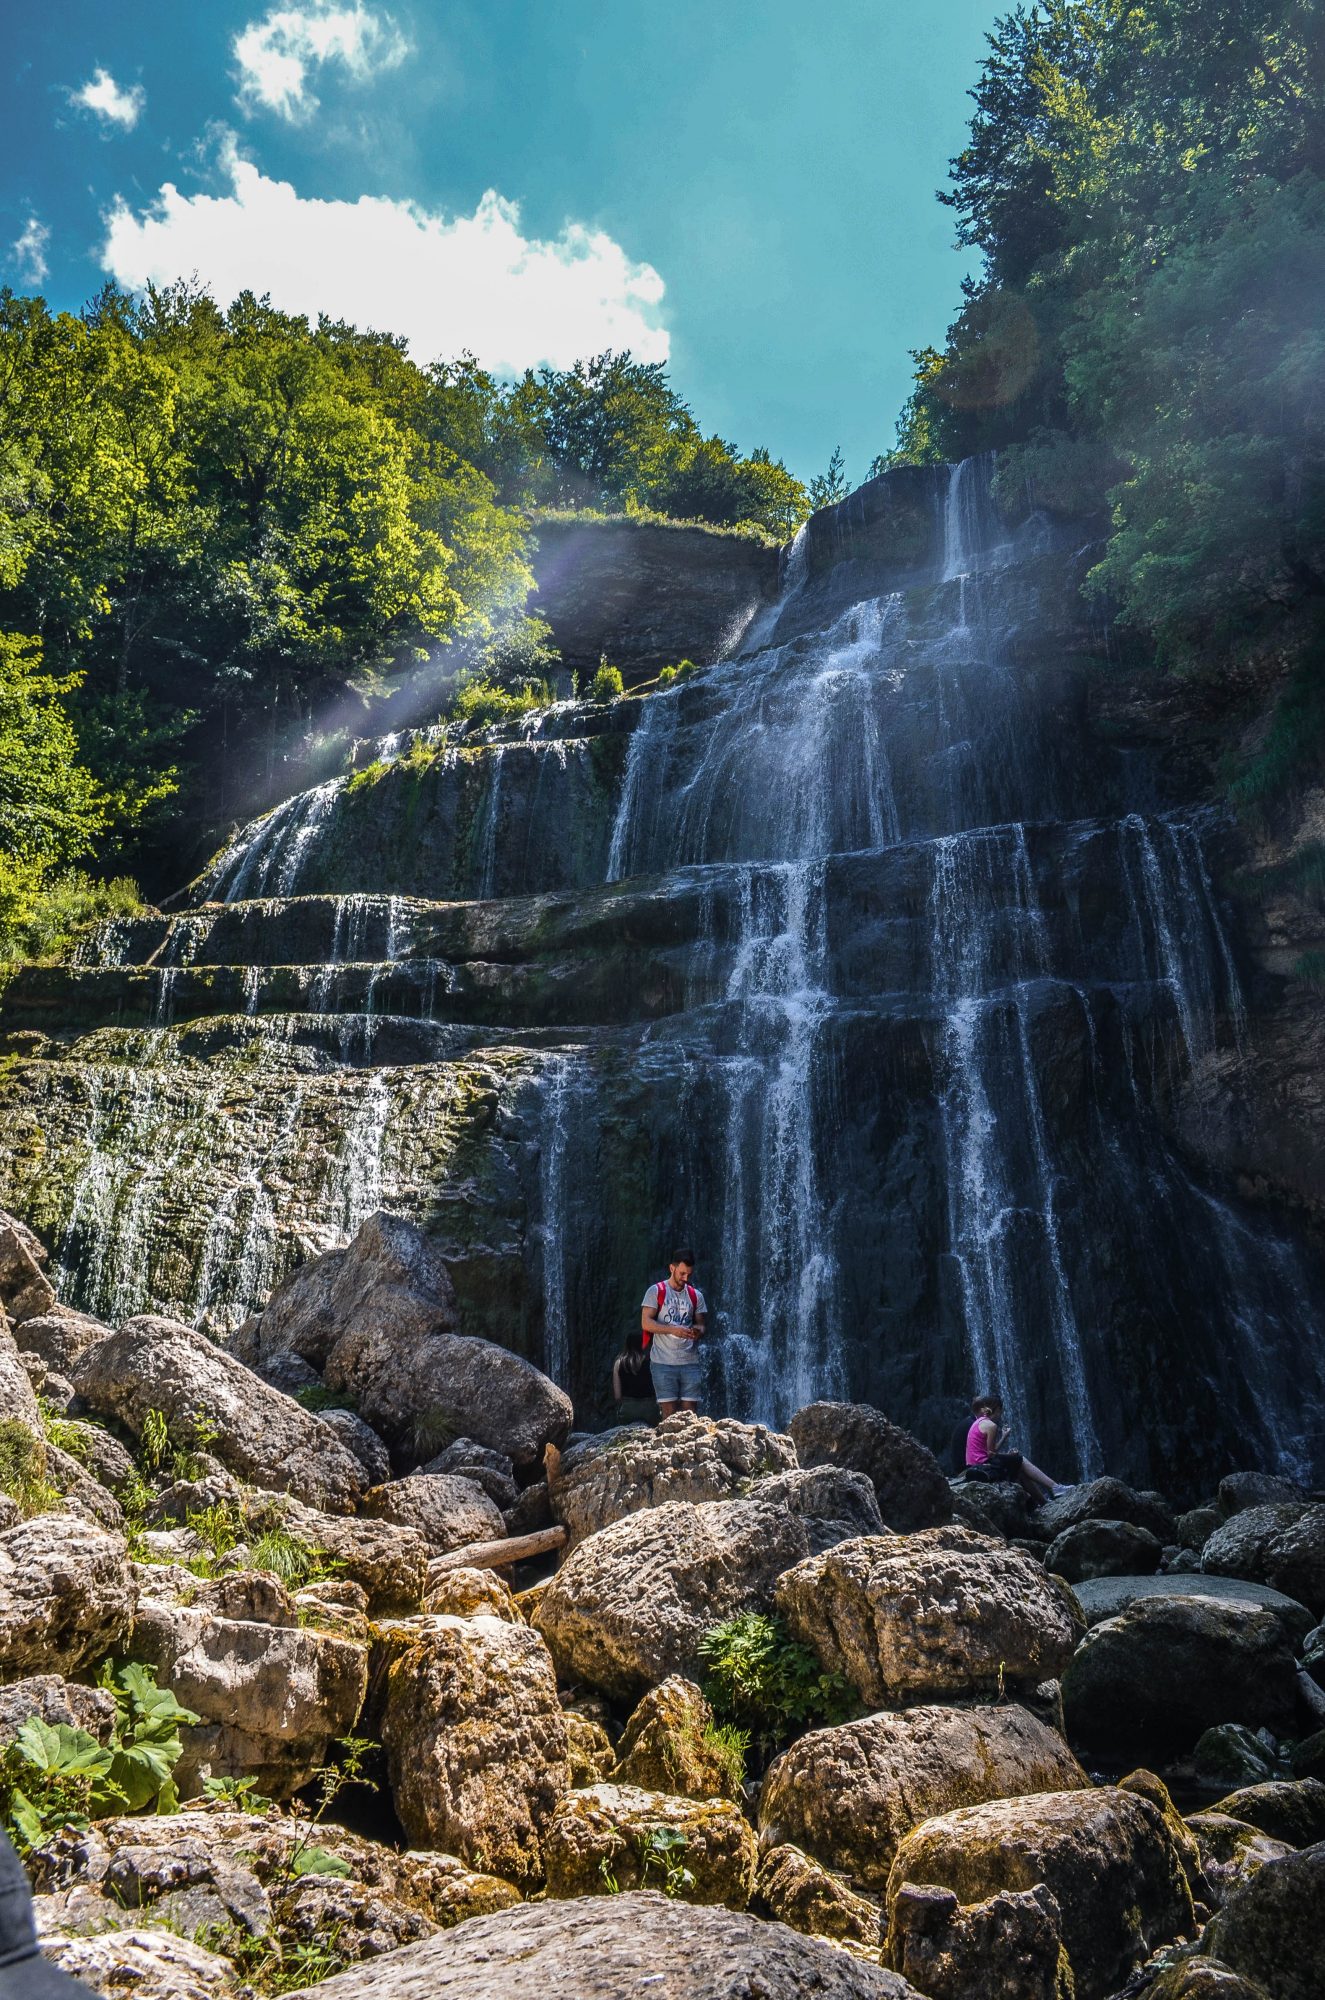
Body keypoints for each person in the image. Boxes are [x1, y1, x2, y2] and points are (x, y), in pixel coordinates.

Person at [964, 1394, 1072, 1503]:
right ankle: (1055, 1487)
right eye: (1000, 1411)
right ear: (996, 1409)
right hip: (983, 1467)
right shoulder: (991, 1426)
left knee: (1019, 1469)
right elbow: (991, 1454)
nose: (1000, 1415)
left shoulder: (979, 1422)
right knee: (1020, 1459)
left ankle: (1043, 1501)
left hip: (975, 1466)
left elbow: (989, 1452)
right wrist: (1009, 1456)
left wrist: (1004, 1437)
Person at [641, 1249, 707, 1416]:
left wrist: (697, 1332)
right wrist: (673, 1330)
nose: (685, 1278)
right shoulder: (656, 1291)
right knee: (668, 1413)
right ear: (672, 1268)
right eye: (682, 1273)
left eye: (689, 1275)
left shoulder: (695, 1295)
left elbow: (702, 1325)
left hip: (690, 1362)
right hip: (662, 1362)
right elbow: (646, 1323)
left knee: (690, 1413)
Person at [611, 1327, 658, 1425]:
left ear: (627, 1344)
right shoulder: (652, 1362)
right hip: (650, 1410)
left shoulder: (619, 1363)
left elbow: (617, 1396)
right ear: (642, 1344)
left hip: (628, 1411)